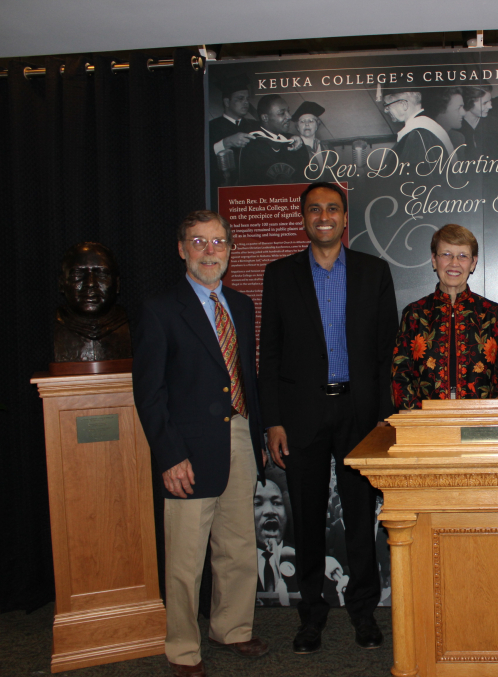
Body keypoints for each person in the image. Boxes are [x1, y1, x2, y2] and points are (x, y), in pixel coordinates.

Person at [259, 181, 398, 654]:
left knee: (359, 517)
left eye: (333, 209)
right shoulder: (279, 275)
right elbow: (270, 355)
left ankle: (363, 612)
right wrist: (273, 420)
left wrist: (384, 419)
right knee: (309, 516)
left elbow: (386, 352)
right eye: (315, 209)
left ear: (345, 219)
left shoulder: (373, 272)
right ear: (304, 219)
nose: (324, 216)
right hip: (301, 414)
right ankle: (311, 616)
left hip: (359, 413)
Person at [132, 210, 269, 677]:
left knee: (237, 544)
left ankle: (232, 628)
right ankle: (183, 648)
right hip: (188, 449)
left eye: (218, 242)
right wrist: (169, 454)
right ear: (181, 249)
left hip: (239, 437)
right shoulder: (160, 309)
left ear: (231, 250)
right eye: (199, 242)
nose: (210, 251)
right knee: (187, 557)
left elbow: (246, 378)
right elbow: (148, 392)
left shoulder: (243, 305)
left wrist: (260, 431)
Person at [393, 224, 498, 407]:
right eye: (446, 254)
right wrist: (418, 422)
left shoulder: (493, 315)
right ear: (434, 260)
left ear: (473, 263)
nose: (454, 263)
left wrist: (491, 422)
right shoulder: (414, 314)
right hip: (426, 426)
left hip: (481, 425)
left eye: (462, 256)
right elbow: (401, 375)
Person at [53, 241, 132, 362]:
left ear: (117, 285)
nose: (90, 283)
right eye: (78, 274)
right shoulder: (52, 327)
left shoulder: (136, 326)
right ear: (62, 284)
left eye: (101, 274)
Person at [208, 75, 260, 204]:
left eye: (247, 98)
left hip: (253, 192)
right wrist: (225, 143)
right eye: (240, 99)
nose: (246, 102)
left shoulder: (255, 125)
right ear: (227, 102)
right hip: (224, 193)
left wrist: (294, 138)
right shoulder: (211, 127)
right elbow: (203, 161)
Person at [238, 94, 308, 186]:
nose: (289, 116)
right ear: (265, 118)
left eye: (288, 111)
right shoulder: (251, 146)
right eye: (282, 113)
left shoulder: (295, 142)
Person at [383, 86, 453, 166]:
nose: (385, 110)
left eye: (387, 105)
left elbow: (414, 176)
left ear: (403, 105)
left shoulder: (418, 135)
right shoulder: (428, 125)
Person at [254, 478, 295, 607]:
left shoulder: (303, 558)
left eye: (277, 503)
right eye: (257, 503)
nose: (270, 511)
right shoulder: (233, 562)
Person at [424, 87, 467, 157]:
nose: (464, 113)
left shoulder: (458, 138)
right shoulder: (424, 139)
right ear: (441, 109)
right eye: (458, 108)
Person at [457, 82, 492, 158]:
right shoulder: (456, 127)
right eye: (485, 103)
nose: (490, 106)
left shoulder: (492, 123)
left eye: (490, 101)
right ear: (469, 102)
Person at [292, 101, 328, 176]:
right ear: (298, 127)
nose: (307, 124)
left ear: (317, 125)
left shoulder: (327, 148)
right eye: (302, 121)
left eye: (311, 121)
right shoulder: (292, 149)